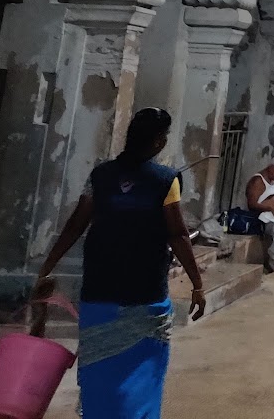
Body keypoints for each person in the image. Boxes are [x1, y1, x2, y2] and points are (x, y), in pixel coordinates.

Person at [34, 107, 205, 419]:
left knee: (100, 375)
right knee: (142, 376)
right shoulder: (166, 180)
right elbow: (178, 234)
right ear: (157, 141)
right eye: (163, 136)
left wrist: (48, 264)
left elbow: (75, 225)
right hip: (145, 291)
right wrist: (197, 283)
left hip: (100, 287)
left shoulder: (101, 176)